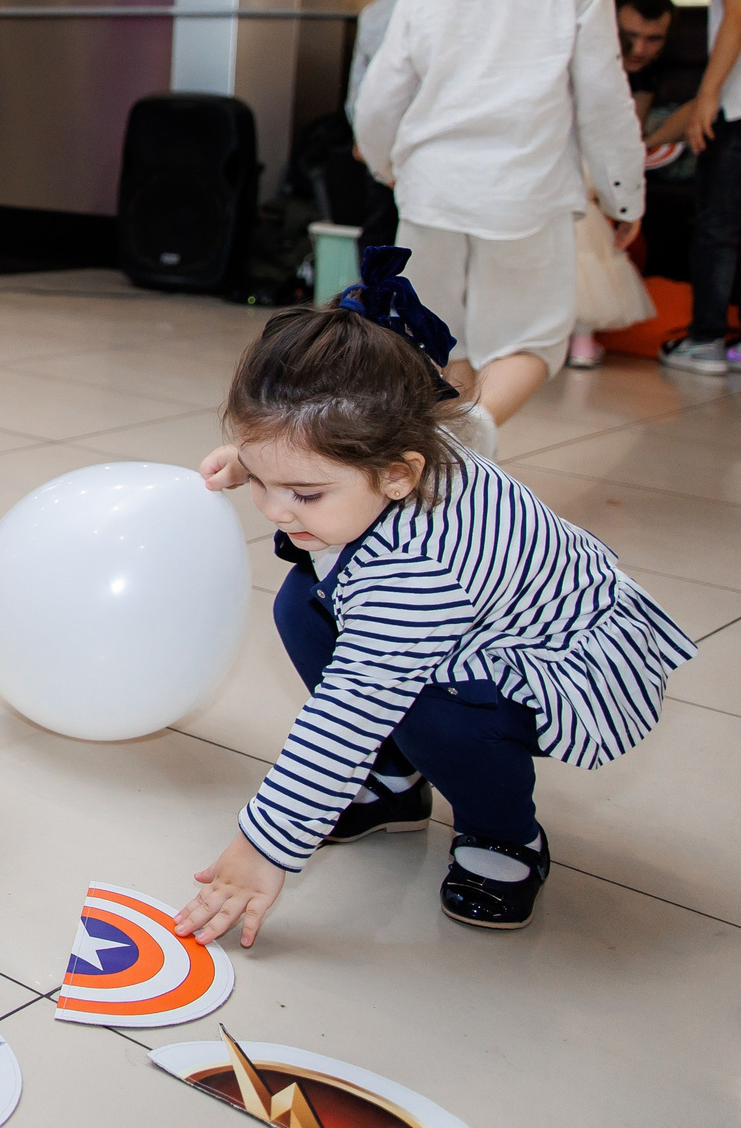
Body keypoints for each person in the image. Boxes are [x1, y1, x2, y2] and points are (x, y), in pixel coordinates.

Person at [178, 250, 693, 946]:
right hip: (470, 628)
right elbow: (307, 451)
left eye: (304, 492)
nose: (274, 509)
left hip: (559, 664)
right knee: (303, 604)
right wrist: (256, 462)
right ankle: (395, 783)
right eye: (266, 481)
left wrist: (261, 847)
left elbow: (348, 710)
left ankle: (504, 834)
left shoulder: (418, 570)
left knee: (432, 707)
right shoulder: (391, 439)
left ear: (398, 474)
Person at [352, 0, 645, 439]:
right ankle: (474, 433)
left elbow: (379, 101)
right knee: (529, 341)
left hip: (431, 190)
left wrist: (386, 166)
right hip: (525, 192)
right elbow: (603, 97)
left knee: (436, 339)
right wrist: (623, 193)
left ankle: (445, 460)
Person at [565, 0, 676, 366]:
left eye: (653, 39)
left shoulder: (643, 79)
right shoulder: (579, 66)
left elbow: (628, 138)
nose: (639, 50)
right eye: (629, 38)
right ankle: (580, 341)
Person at [660, 0, 741, 375]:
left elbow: (736, 17)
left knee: (717, 228)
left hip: (736, 115)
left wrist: (708, 95)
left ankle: (706, 339)